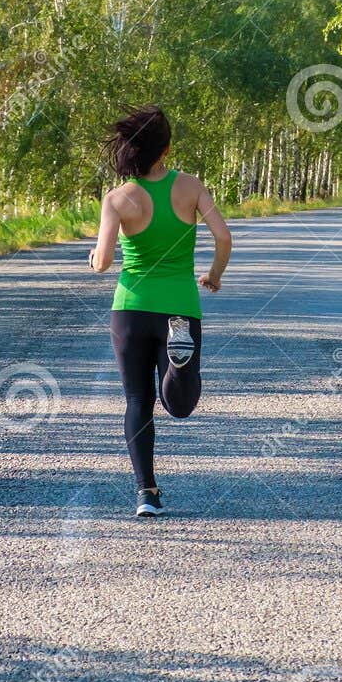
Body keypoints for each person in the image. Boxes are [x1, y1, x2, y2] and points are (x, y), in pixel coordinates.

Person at [88, 107, 231, 516]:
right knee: (180, 406)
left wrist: (92, 257)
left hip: (131, 308)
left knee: (137, 399)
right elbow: (223, 236)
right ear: (166, 149)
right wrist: (214, 275)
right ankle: (177, 365)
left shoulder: (117, 198)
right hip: (179, 306)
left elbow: (102, 263)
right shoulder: (190, 187)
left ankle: (146, 494)